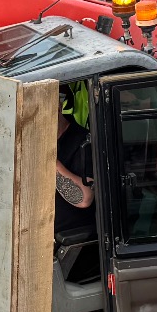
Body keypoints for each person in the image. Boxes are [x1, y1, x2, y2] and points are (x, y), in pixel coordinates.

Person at [55, 83, 96, 233]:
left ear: (58, 108)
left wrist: (47, 160)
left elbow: (85, 198)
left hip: (71, 244)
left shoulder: (85, 142)